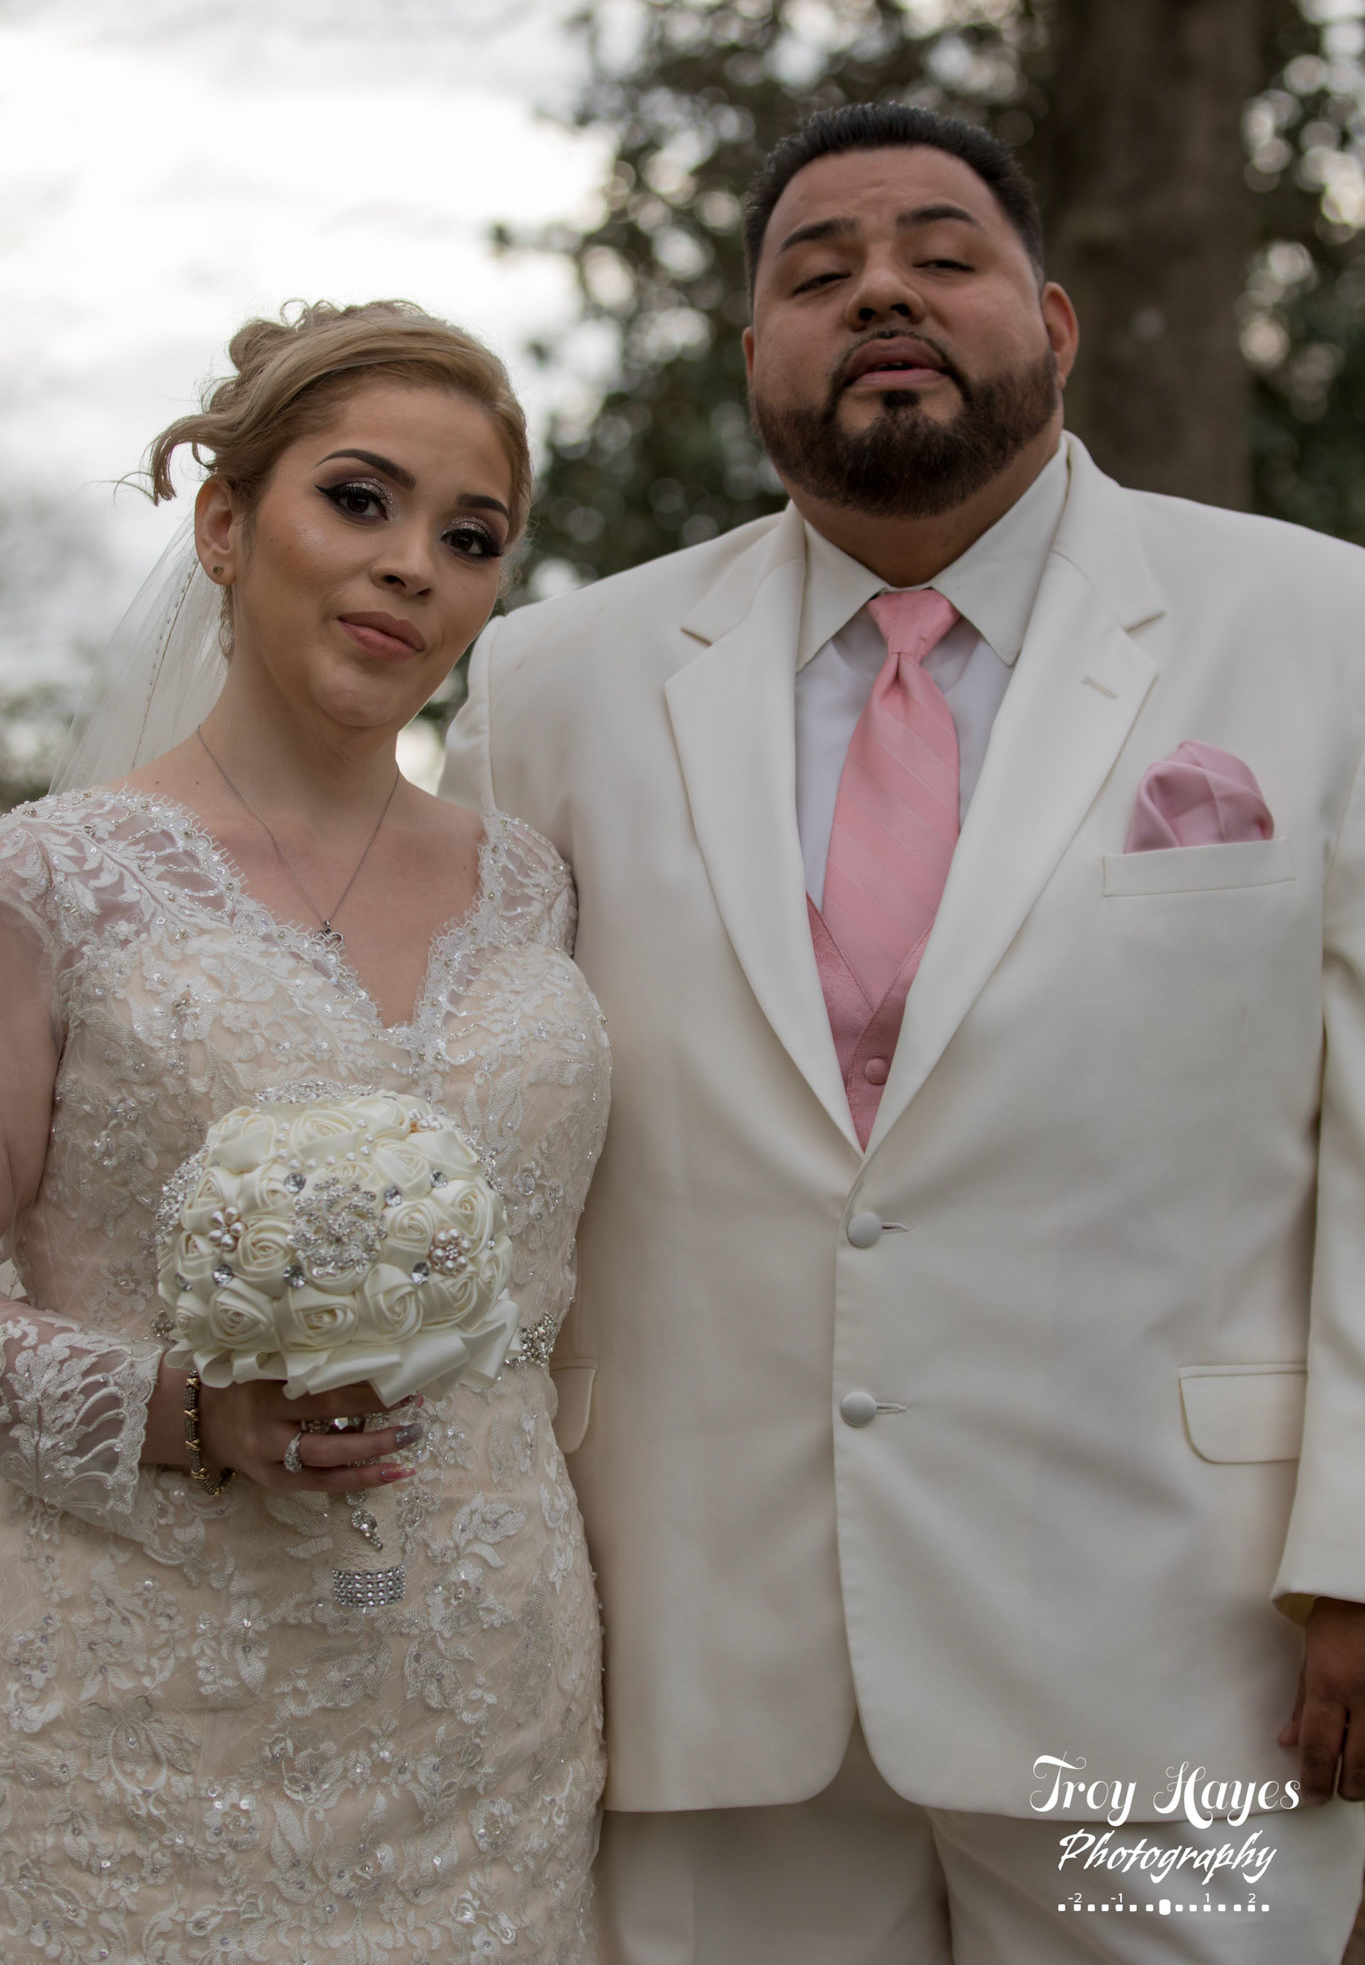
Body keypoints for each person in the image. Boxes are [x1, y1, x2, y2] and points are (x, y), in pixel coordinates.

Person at [442, 104, 1365, 1961]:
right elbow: (479, 1126)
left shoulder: (1322, 625)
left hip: (1178, 1656)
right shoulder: (553, 681)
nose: (879, 293)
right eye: (817, 273)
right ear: (754, 357)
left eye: (939, 256)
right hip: (697, 1648)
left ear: (1053, 323)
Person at [0, 300, 608, 1962]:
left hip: (492, 1705)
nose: (414, 564)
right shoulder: (53, 879)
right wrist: (182, 1409)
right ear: (222, 526)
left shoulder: (536, 885)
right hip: (143, 1722)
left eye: (469, 537)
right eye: (358, 500)